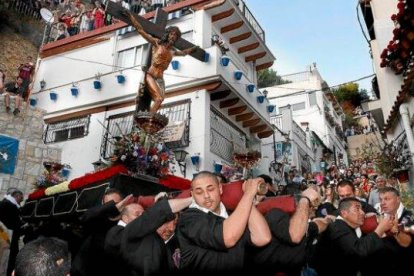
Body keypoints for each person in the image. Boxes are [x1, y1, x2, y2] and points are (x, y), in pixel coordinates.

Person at [176, 171, 271, 274]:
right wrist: (248, 194)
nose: (206, 195)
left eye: (211, 189)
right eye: (199, 192)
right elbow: (227, 237)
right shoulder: (189, 218)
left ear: (220, 189)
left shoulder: (234, 216)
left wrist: (246, 196)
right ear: (192, 195)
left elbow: (263, 238)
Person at [126, 10, 198, 114]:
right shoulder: (157, 44)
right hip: (150, 75)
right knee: (159, 99)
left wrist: (193, 49)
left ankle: (150, 117)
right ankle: (149, 118)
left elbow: (184, 53)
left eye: (176, 36)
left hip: (160, 79)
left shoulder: (173, 52)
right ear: (168, 34)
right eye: (172, 34)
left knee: (160, 100)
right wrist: (131, 17)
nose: (173, 36)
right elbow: (141, 30)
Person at [312, 197, 393, 276]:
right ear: (344, 213)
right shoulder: (337, 228)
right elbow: (359, 250)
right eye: (357, 209)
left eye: (362, 209)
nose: (362, 212)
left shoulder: (352, 227)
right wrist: (380, 229)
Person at [120, 194, 193, 275]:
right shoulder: (133, 235)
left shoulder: (179, 244)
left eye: (175, 223)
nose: (172, 228)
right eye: (167, 222)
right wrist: (193, 198)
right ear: (155, 218)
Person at [71, 188, 133, 276]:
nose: (113, 207)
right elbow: (85, 217)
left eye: (115, 203)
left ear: (123, 203)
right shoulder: (97, 221)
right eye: (108, 204)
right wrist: (112, 207)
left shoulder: (125, 224)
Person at [0, 189, 24, 276]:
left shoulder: (4, 202)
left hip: (3, 235)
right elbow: (15, 224)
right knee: (9, 258)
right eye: (21, 199)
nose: (21, 201)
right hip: (8, 236)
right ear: (17, 196)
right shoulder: (11, 206)